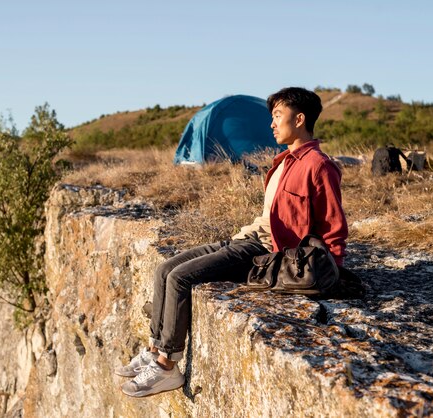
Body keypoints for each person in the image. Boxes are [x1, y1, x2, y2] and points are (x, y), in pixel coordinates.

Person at [117, 87, 348, 397]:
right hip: (245, 238)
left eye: (277, 116)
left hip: (265, 252)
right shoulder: (283, 161)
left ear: (300, 118)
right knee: (164, 269)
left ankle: (165, 365)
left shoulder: (319, 166)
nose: (271, 124)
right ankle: (154, 347)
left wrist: (332, 271)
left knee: (180, 279)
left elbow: (334, 226)